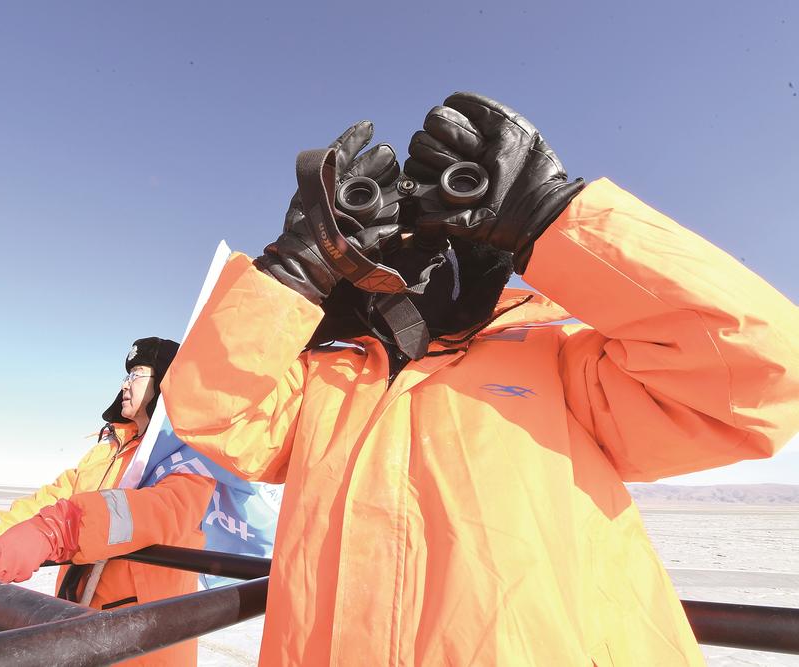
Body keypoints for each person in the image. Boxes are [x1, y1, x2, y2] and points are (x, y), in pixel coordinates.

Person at [160, 93, 799, 666]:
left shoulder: (561, 360)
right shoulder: (327, 377)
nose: (419, 252)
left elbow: (758, 373)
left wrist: (551, 216)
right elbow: (209, 412)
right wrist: (293, 272)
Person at [0, 337, 221, 667]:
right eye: (126, 375)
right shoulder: (105, 454)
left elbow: (162, 510)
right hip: (78, 631)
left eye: (137, 374)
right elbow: (39, 506)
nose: (125, 384)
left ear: (167, 382)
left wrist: (61, 527)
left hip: (143, 645)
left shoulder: (189, 456)